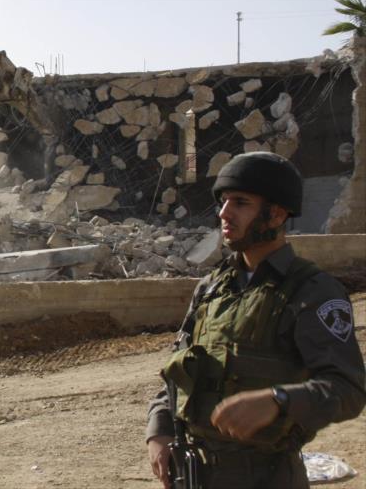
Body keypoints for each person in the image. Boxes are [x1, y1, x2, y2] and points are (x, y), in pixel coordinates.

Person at [145, 152, 365, 488]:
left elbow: (348, 389)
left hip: (266, 476)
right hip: (196, 475)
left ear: (276, 214)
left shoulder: (311, 291)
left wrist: (278, 400)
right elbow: (178, 370)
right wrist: (159, 430)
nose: (224, 213)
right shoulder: (212, 288)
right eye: (223, 201)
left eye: (240, 202)